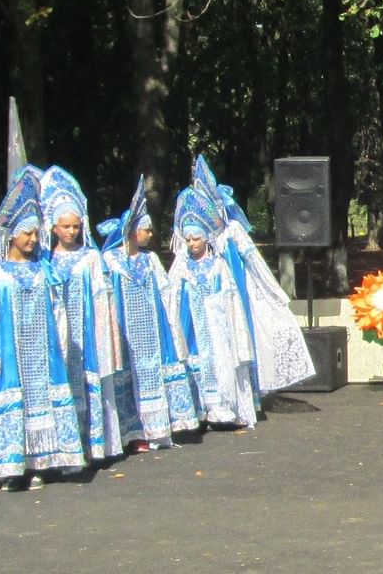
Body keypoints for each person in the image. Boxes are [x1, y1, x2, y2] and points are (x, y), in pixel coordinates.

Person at [0, 166, 86, 488]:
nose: (34, 239)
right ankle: (12, 467)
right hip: (11, 356)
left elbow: (58, 314)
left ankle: (40, 463)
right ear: (11, 235)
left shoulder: (43, 272)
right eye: (28, 233)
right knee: (14, 404)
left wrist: (62, 351)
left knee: (41, 403)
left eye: (37, 234)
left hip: (42, 355)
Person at [191, 155, 315, 401]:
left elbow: (254, 260)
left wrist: (275, 291)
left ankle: (247, 395)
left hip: (237, 292)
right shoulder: (198, 239)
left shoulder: (232, 231)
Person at [97, 178, 201, 449]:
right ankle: (131, 433)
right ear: (132, 232)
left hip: (152, 332)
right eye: (146, 230)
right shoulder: (110, 261)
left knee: (152, 376)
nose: (150, 234)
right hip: (125, 331)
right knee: (127, 379)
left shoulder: (151, 260)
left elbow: (165, 292)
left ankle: (156, 429)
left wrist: (171, 326)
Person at [40, 166, 126, 462]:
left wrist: (105, 341)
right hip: (60, 338)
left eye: (76, 226)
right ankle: (68, 448)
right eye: (66, 227)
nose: (71, 231)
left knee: (89, 388)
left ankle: (94, 446)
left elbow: (103, 300)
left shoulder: (91, 257)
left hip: (86, 333)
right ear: (53, 228)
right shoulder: (46, 260)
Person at [168, 187, 258, 428]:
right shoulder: (181, 266)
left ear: (206, 238)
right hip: (192, 325)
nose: (191, 244)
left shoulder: (218, 265)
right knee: (195, 362)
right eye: (187, 239)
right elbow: (173, 295)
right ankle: (198, 411)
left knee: (217, 364)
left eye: (195, 238)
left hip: (216, 325)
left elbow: (230, 300)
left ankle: (222, 410)